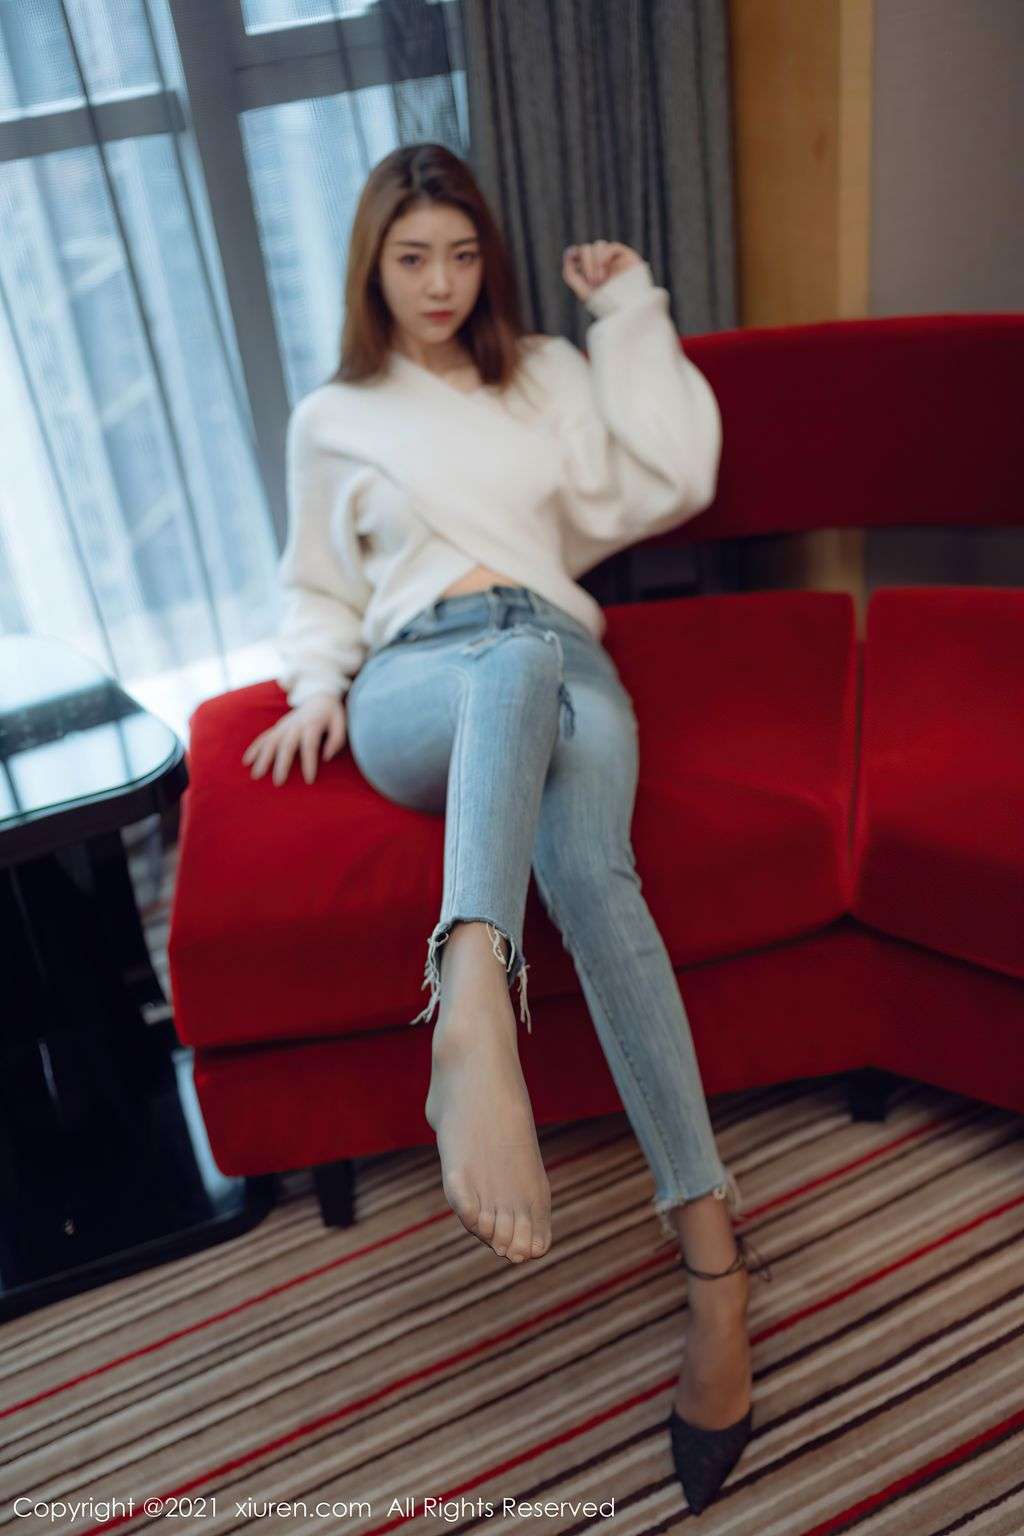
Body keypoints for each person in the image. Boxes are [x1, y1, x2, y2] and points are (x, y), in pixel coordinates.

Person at [241, 142, 771, 1513]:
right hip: (423, 678)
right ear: (371, 266)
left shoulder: (540, 373)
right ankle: (473, 1000)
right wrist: (314, 686)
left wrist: (629, 313)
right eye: (412, 257)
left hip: (564, 656)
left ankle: (712, 1267)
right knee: (506, 662)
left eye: (463, 255)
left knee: (592, 865)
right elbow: (316, 585)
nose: (440, 283)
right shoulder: (333, 416)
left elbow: (672, 477)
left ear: (490, 260)